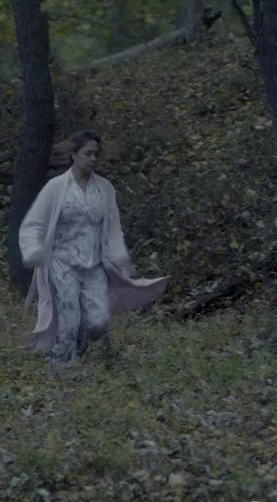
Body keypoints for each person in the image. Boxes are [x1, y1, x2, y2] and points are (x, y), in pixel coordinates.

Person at [18, 130, 168, 369]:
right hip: (62, 263)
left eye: (96, 154)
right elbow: (33, 223)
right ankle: (62, 369)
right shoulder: (56, 187)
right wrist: (33, 250)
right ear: (74, 154)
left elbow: (113, 229)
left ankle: (79, 345)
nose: (93, 159)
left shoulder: (105, 188)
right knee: (69, 317)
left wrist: (120, 258)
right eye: (88, 153)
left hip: (94, 265)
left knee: (98, 322)